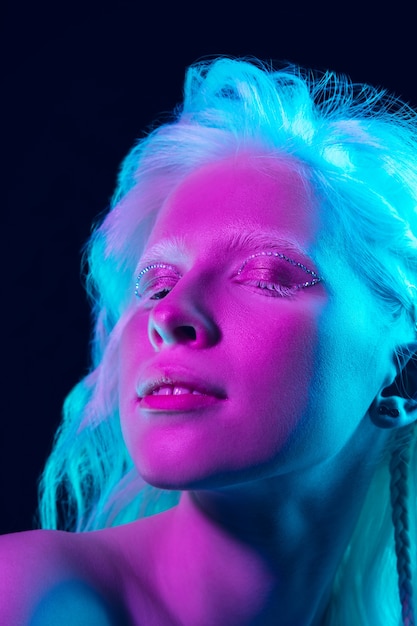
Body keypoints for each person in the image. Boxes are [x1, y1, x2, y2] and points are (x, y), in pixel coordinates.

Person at [1, 56, 417, 626]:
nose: (167, 314)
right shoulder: (26, 596)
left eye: (266, 275)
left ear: (404, 370)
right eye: (155, 283)